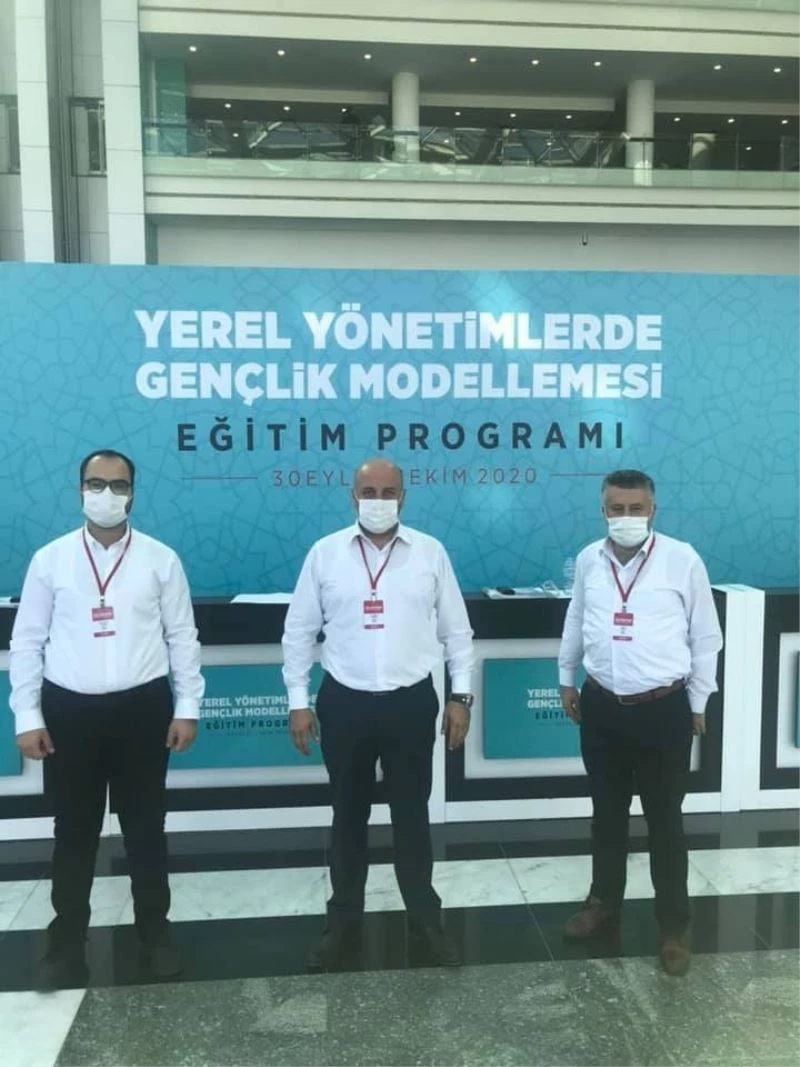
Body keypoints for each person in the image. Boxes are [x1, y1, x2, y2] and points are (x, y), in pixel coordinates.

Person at [9, 450, 205, 989]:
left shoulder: (160, 559)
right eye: (96, 484)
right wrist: (27, 714)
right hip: (69, 712)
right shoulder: (50, 560)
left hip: (143, 710)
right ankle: (66, 944)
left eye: (118, 486)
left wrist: (187, 707)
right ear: (80, 490)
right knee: (73, 832)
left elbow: (182, 637)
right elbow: (27, 642)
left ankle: (155, 935)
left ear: (132, 493)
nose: (106, 494)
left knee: (146, 830)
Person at [282, 459, 474, 970]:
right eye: (368, 491)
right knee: (348, 816)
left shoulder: (430, 553)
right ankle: (342, 924)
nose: (378, 501)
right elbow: (298, 631)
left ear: (403, 498)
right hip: (344, 701)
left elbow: (457, 632)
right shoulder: (325, 554)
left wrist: (461, 696)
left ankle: (426, 923)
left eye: (388, 492)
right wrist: (298, 700)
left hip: (410, 702)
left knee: (412, 816)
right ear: (353, 497)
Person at [558, 469, 722, 977]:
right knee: (606, 815)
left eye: (636, 508)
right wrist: (566, 677)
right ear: (603, 510)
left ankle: (673, 926)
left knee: (665, 821)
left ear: (653, 510)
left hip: (663, 709)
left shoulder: (681, 559)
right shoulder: (589, 559)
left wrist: (698, 702)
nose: (625, 517)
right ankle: (602, 903)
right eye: (616, 508)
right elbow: (576, 618)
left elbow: (705, 637)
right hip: (601, 705)